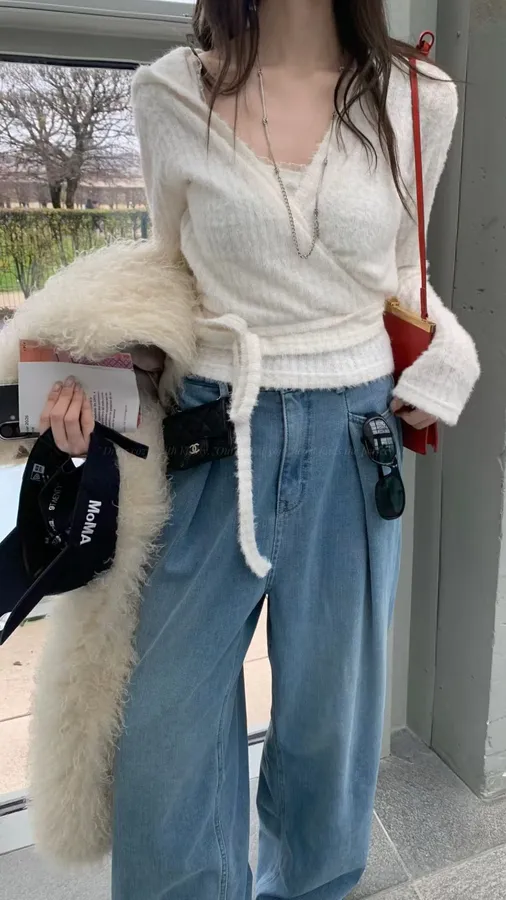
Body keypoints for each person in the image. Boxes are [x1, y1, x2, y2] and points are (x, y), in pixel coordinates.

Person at [39, 1, 480, 897]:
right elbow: (174, 277)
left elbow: (404, 269)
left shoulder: (417, 95)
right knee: (165, 740)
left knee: (330, 732)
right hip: (211, 439)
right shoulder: (171, 94)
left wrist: (451, 358)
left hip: (355, 445)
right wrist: (89, 376)